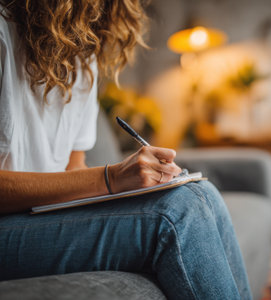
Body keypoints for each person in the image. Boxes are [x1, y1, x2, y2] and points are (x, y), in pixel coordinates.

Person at [0, 0, 252, 299]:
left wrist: (133, 192)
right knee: (177, 212)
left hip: (38, 216)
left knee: (200, 194)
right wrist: (110, 179)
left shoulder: (81, 57)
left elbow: (73, 169)